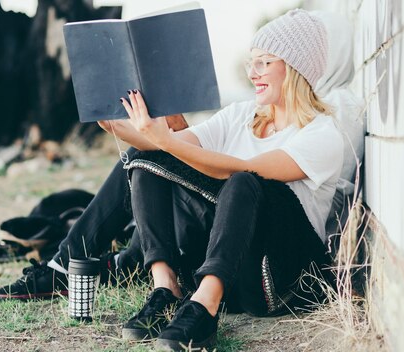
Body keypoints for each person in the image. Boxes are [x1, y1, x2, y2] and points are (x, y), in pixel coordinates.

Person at [99, 9, 344, 351]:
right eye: (251, 62)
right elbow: (171, 148)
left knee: (245, 179)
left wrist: (164, 139)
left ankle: (203, 308)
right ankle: (166, 288)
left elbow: (240, 168)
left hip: (277, 280)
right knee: (148, 161)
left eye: (264, 63)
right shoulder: (242, 115)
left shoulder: (321, 134)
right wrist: (116, 122)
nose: (252, 72)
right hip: (231, 271)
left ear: (296, 66)